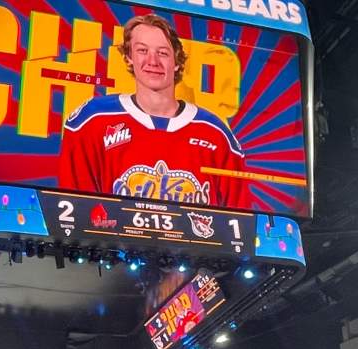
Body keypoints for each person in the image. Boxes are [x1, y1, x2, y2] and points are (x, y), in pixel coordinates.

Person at [57, 13, 249, 208]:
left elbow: (239, 222)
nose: (152, 61)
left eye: (163, 53)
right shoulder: (92, 120)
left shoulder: (215, 133)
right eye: (142, 50)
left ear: (177, 61)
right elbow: (74, 211)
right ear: (128, 57)